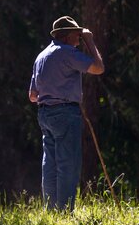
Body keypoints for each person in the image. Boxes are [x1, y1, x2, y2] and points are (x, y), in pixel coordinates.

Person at [29, 16, 105, 211]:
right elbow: (98, 68)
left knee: (50, 164)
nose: (79, 39)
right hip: (65, 113)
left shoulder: (41, 56)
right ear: (67, 36)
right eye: (77, 35)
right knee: (68, 164)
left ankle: (50, 210)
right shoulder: (67, 53)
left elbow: (32, 95)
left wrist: (52, 95)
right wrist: (90, 41)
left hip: (44, 114)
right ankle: (64, 212)